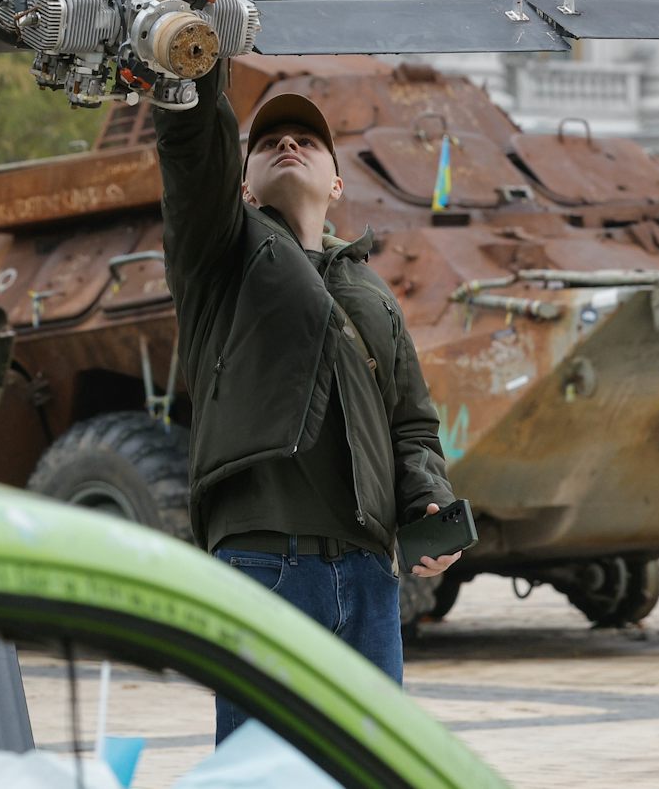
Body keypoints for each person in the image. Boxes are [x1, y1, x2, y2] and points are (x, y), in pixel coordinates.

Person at [154, 64, 459, 738]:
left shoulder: (373, 293)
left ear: (338, 182)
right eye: (267, 143)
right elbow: (190, 151)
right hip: (264, 567)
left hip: (370, 575)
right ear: (242, 185)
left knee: (375, 767)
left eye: (306, 141)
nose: (287, 145)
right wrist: (195, 63)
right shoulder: (220, 257)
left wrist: (428, 498)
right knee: (263, 775)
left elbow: (412, 424)